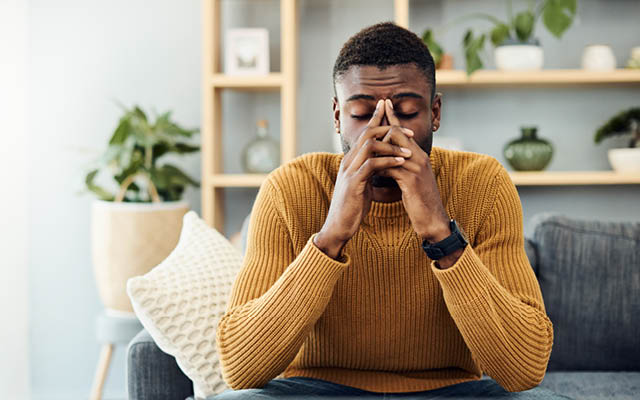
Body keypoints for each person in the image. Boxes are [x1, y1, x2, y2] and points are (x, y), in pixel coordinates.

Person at [211, 22, 566, 399]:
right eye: (362, 114)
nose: (382, 132)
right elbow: (240, 368)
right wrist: (331, 237)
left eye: (408, 112)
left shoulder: (484, 183)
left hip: (451, 390)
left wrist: (440, 234)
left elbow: (525, 370)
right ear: (337, 117)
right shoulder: (290, 188)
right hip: (314, 389)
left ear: (435, 112)